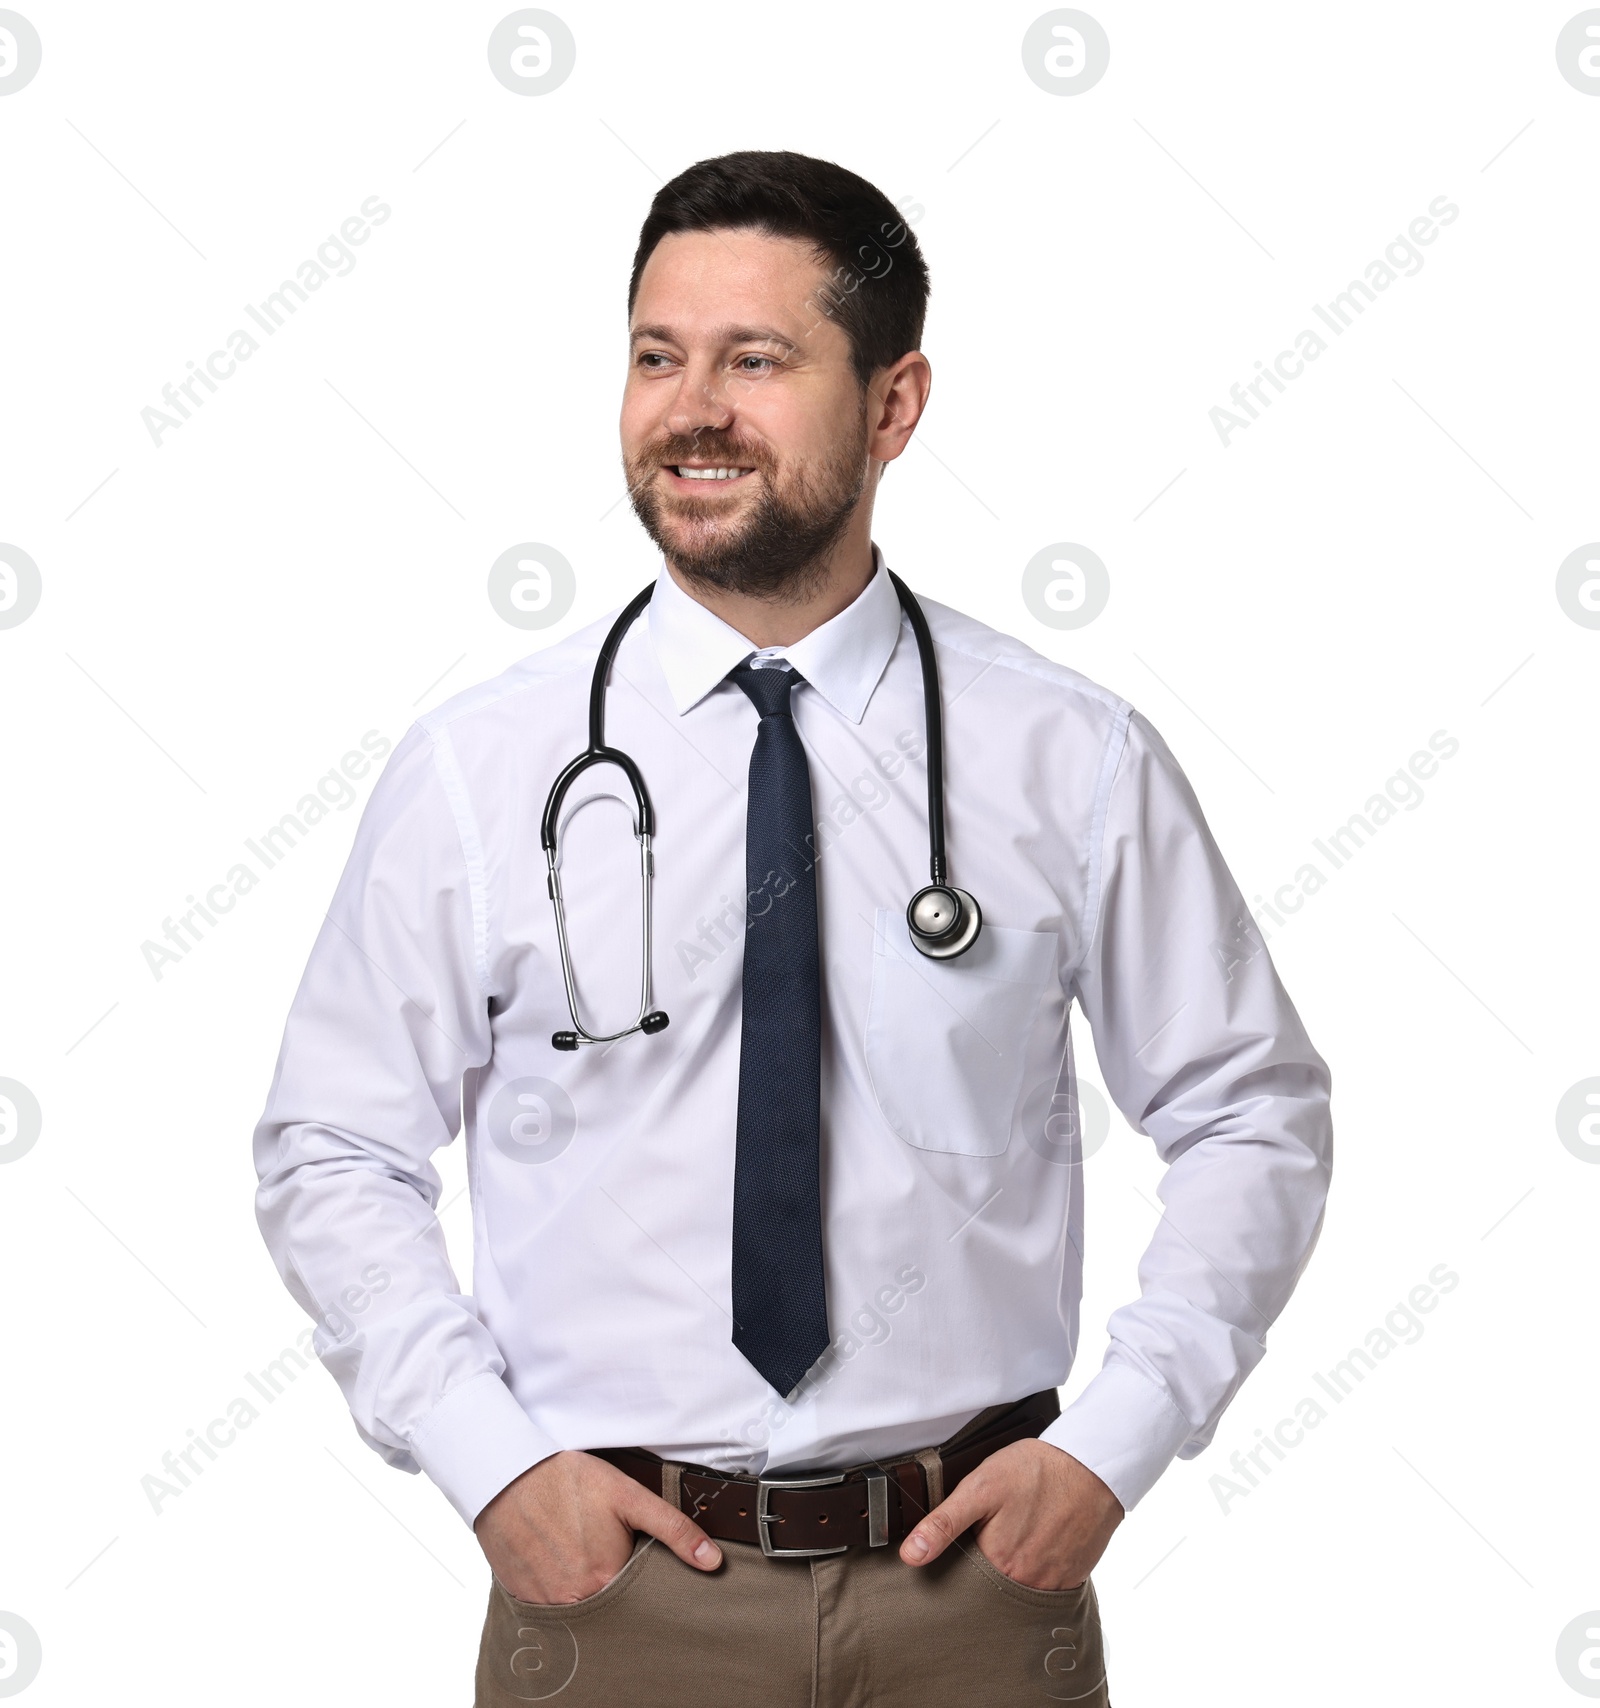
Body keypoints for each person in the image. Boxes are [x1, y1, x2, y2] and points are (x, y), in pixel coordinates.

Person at [253, 150, 1332, 1706]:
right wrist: (490, 1468)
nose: (693, 408)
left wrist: (1115, 1445)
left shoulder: (1067, 756)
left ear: (894, 408)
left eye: (756, 361)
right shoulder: (483, 771)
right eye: (656, 356)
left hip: (974, 1591)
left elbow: (1250, 1111)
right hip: (613, 1602)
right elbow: (330, 1147)